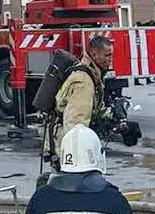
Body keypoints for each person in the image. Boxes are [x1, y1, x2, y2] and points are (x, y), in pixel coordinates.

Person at [42, 36, 113, 169]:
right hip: (68, 151)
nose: (110, 59)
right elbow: (75, 127)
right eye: (107, 55)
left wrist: (112, 115)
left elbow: (92, 109)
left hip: (66, 149)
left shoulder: (91, 74)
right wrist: (77, 160)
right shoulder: (83, 82)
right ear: (94, 54)